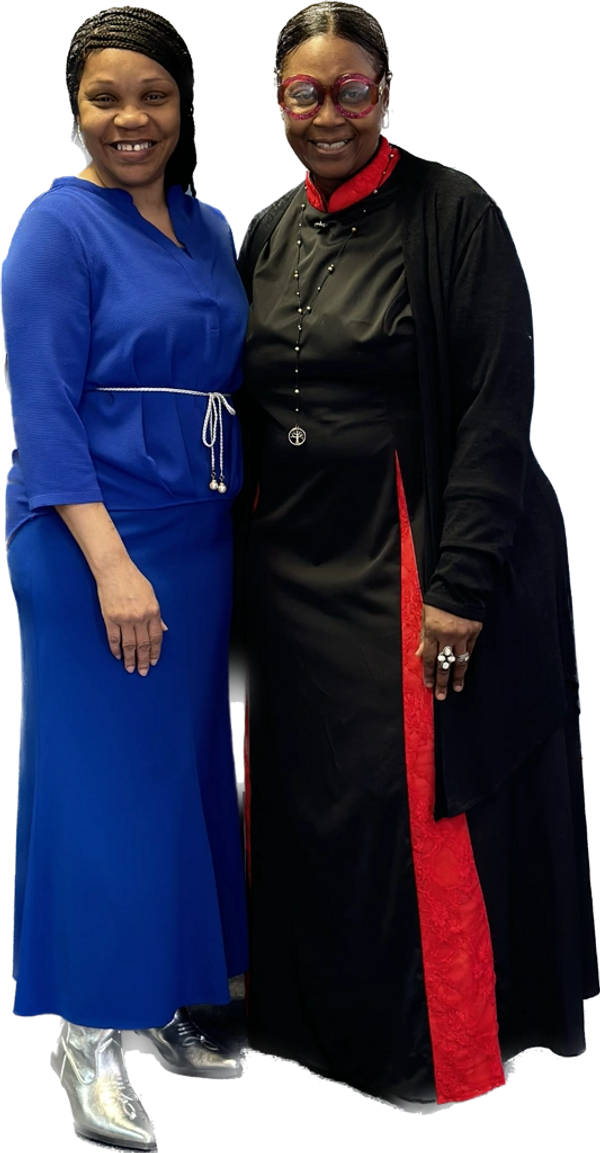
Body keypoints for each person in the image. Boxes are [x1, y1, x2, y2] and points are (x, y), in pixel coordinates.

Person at [233, 0, 599, 1114]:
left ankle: (427, 1051)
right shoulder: (263, 228)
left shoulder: (456, 211)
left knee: (416, 807)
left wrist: (460, 586)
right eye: (306, 92)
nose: (330, 114)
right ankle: (311, 1033)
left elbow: (496, 408)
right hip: (294, 567)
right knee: (314, 807)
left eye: (353, 89)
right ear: (278, 103)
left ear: (387, 92)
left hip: (411, 556)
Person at [3, 6, 249, 1150]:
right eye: (106, 97)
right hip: (91, 537)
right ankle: (87, 1031)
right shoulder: (55, 226)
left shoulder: (209, 225)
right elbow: (43, 411)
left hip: (197, 537)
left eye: (153, 95)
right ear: (75, 108)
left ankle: (157, 994)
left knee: (180, 782)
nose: (130, 119)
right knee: (101, 786)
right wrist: (111, 566)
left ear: (184, 105)